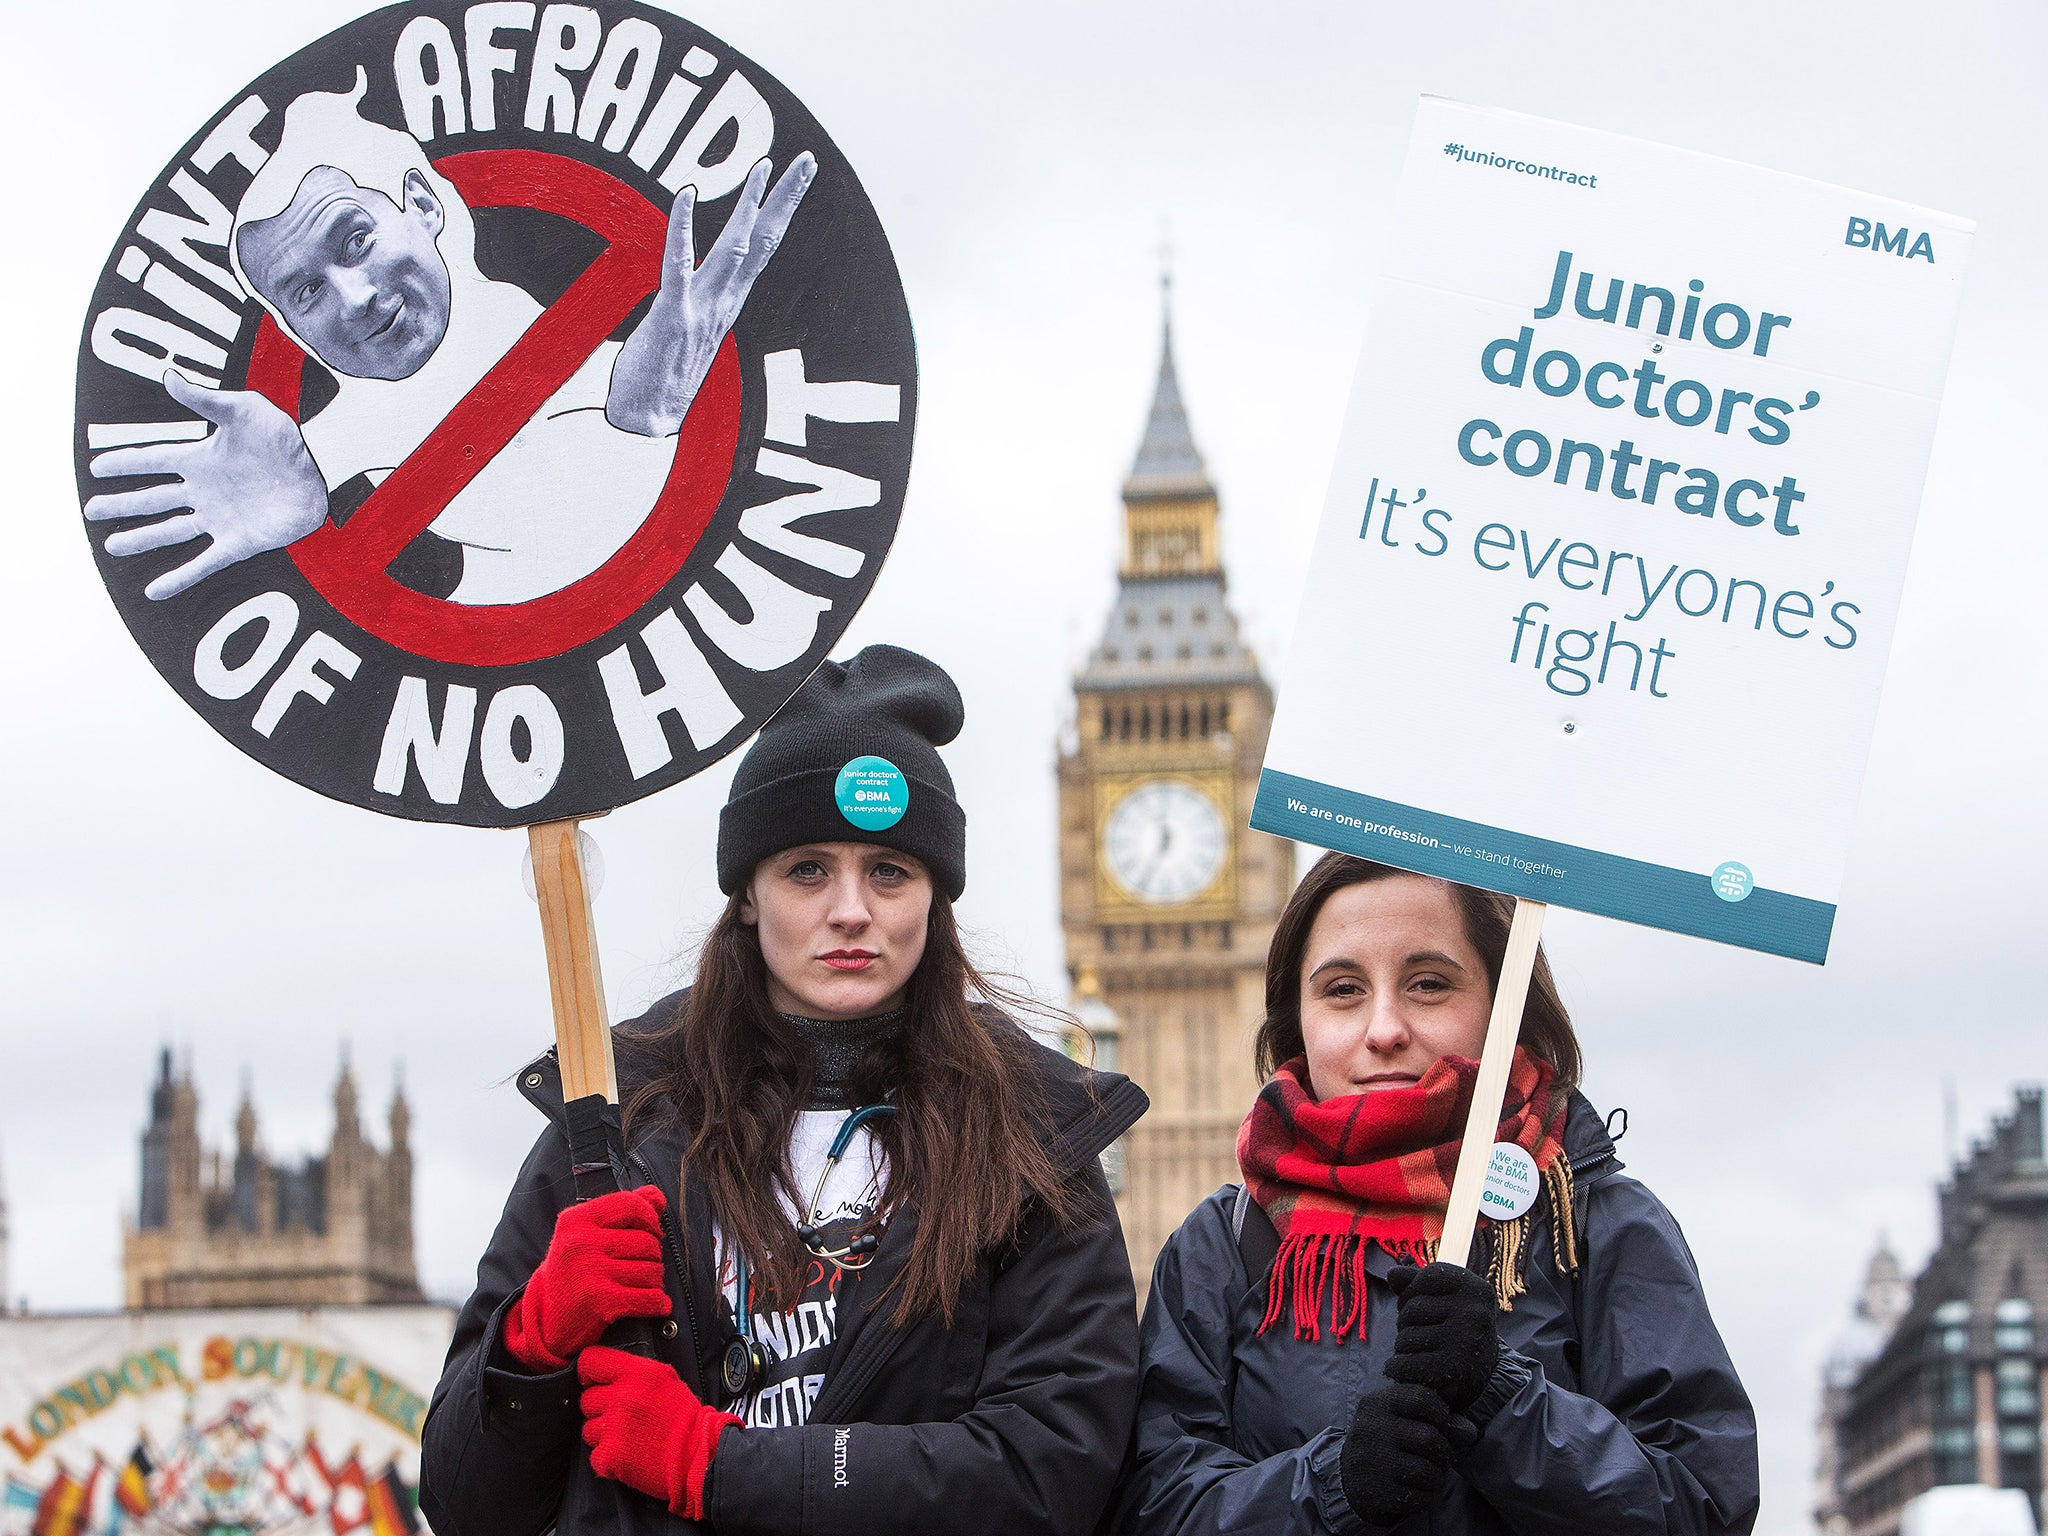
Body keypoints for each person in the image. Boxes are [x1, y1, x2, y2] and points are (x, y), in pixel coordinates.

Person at [420, 645, 1148, 1536]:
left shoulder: (1035, 1136)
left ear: (934, 897)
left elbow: (1054, 1474)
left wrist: (716, 1465)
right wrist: (533, 1345)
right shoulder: (615, 1121)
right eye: (808, 869)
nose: (851, 909)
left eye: (889, 870)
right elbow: (463, 1505)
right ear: (749, 895)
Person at [1110, 853, 1759, 1535]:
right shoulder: (1224, 1244)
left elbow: (1703, 1507)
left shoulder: (1594, 1223)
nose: (1384, 1028)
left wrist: (1504, 1401)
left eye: (1428, 984)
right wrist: (1331, 1488)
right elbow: (1150, 1509)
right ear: (1293, 1020)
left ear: (1507, 1004)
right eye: (1341, 990)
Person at [85, 69, 812, 605]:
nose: (356, 297)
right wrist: (312, 505)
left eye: (358, 239)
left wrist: (643, 428)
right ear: (290, 330)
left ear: (424, 204)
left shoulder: (628, 370)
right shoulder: (326, 469)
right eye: (305, 291)